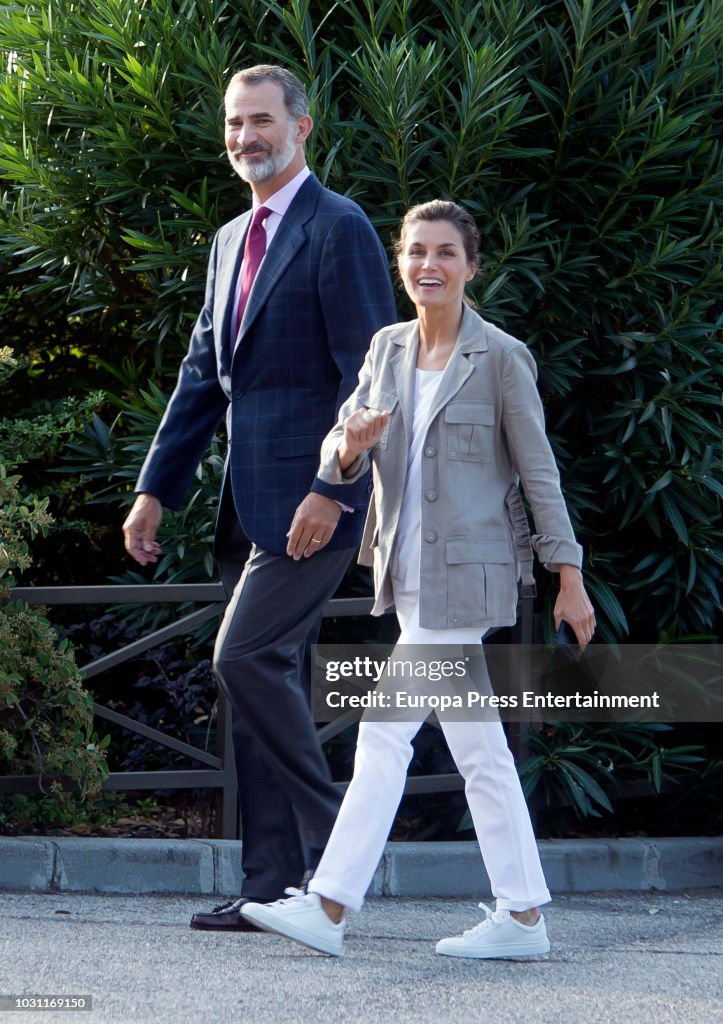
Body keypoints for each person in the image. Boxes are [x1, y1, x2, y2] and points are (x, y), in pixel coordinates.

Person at [241, 200, 595, 957]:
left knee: (382, 734)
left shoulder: (499, 357)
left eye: (444, 253)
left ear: (471, 267)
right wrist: (348, 448)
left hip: (462, 584)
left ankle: (330, 904)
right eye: (414, 252)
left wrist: (568, 573)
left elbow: (539, 473)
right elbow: (340, 444)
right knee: (481, 753)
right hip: (404, 573)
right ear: (401, 263)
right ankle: (523, 915)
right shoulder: (386, 348)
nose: (427, 265)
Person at [121, 65, 396, 931]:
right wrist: (153, 491)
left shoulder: (338, 227)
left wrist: (330, 484)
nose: (247, 136)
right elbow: (203, 376)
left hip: (319, 500)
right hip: (249, 499)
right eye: (236, 123)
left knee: (241, 658)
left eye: (262, 121)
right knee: (256, 681)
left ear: (302, 128)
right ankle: (274, 886)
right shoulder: (229, 238)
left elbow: (372, 380)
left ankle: (338, 859)